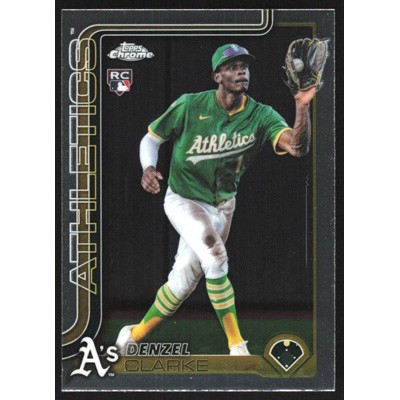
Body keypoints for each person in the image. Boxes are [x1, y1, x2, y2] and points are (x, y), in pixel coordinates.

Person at [116, 43, 316, 356]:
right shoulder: (190, 104)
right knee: (214, 254)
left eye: (244, 66)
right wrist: (148, 167)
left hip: (223, 205)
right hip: (183, 199)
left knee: (183, 282)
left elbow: (298, 148)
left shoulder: (261, 114)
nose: (241, 71)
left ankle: (133, 336)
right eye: (232, 66)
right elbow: (152, 138)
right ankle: (237, 345)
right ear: (217, 76)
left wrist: (302, 105)